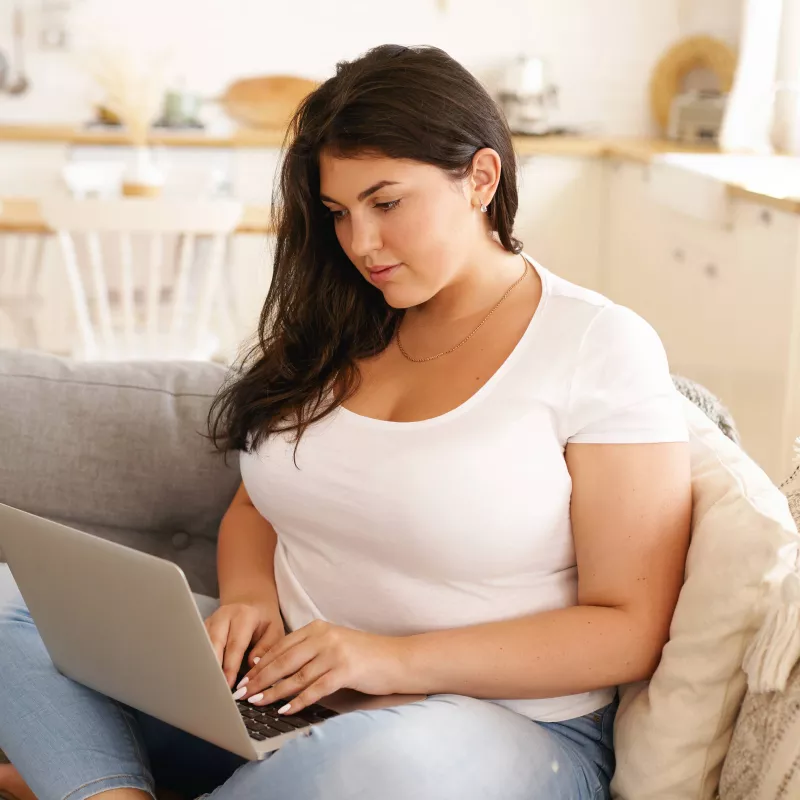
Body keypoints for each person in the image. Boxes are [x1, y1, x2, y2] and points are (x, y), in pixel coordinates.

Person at [0, 43, 692, 800]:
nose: (361, 243)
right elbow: (258, 501)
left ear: (481, 179)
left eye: (387, 203)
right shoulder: (334, 326)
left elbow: (629, 627)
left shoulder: (598, 345)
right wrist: (249, 600)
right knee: (13, 606)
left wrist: (392, 660)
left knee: (382, 764)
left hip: (488, 731)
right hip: (279, 698)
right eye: (338, 212)